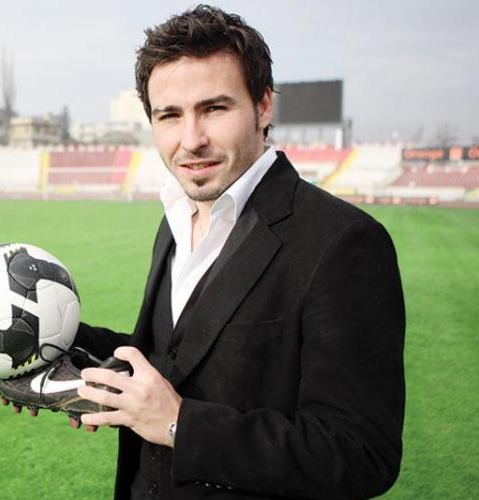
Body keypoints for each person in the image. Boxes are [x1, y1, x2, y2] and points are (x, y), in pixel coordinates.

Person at [69, 5, 405, 499]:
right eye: (170, 115)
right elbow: (181, 357)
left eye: (214, 109)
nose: (191, 140)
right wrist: (62, 343)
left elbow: (360, 453)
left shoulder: (343, 242)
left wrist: (180, 424)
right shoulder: (176, 217)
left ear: (263, 107)